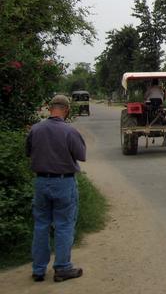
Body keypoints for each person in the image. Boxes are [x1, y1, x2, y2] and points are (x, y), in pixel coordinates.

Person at [26, 94, 85, 283]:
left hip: (41, 182)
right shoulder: (69, 131)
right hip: (64, 182)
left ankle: (38, 270)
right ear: (66, 110)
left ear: (50, 109)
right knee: (64, 225)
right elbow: (81, 155)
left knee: (41, 225)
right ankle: (62, 268)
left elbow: (28, 152)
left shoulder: (35, 129)